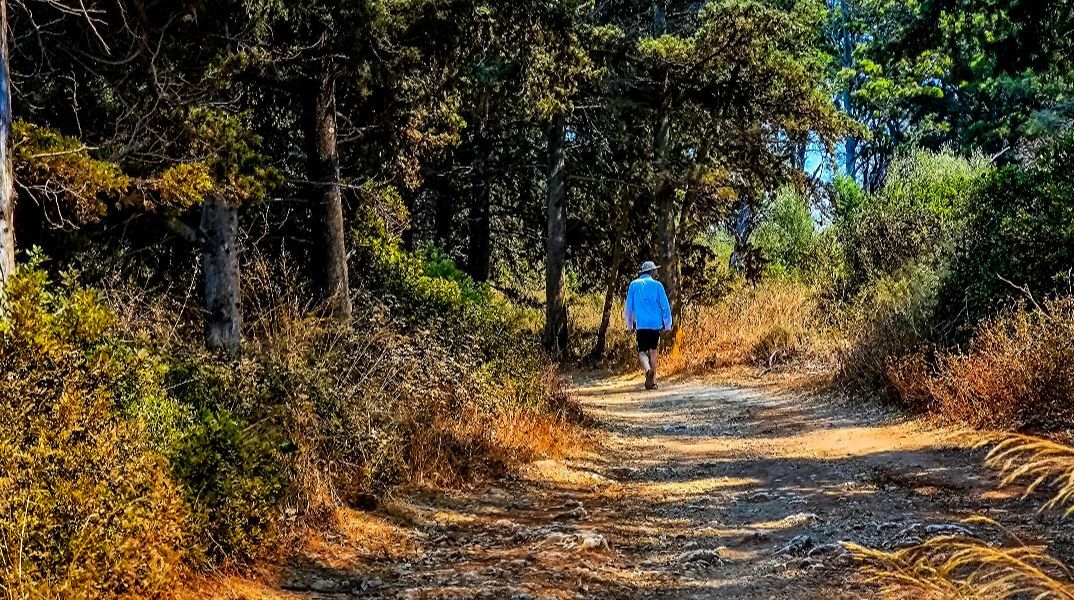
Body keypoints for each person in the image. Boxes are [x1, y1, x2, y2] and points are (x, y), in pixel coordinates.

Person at [624, 260, 672, 390]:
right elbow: (665, 307)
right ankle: (653, 382)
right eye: (655, 270)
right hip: (655, 325)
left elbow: (629, 307)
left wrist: (629, 324)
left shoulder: (634, 285)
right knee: (653, 352)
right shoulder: (658, 286)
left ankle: (647, 369)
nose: (656, 272)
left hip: (641, 325)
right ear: (651, 272)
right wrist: (667, 324)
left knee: (641, 351)